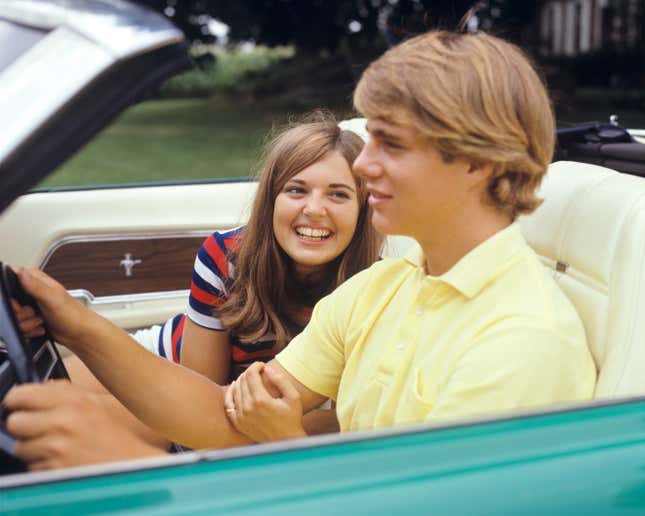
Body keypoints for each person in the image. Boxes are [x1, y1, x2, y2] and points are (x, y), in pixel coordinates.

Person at [6, 30, 596, 463]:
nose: (363, 165)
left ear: (475, 162)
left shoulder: (521, 344)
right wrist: (78, 327)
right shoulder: (383, 286)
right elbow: (225, 416)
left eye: (389, 144)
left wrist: (133, 469)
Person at [6, 116, 381, 468]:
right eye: (296, 190)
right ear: (271, 201)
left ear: (364, 210)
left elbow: (203, 426)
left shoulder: (374, 289)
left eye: (338, 195)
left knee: (52, 427)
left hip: (228, 405)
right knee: (25, 392)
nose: (314, 210)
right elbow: (200, 385)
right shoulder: (225, 256)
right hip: (173, 360)